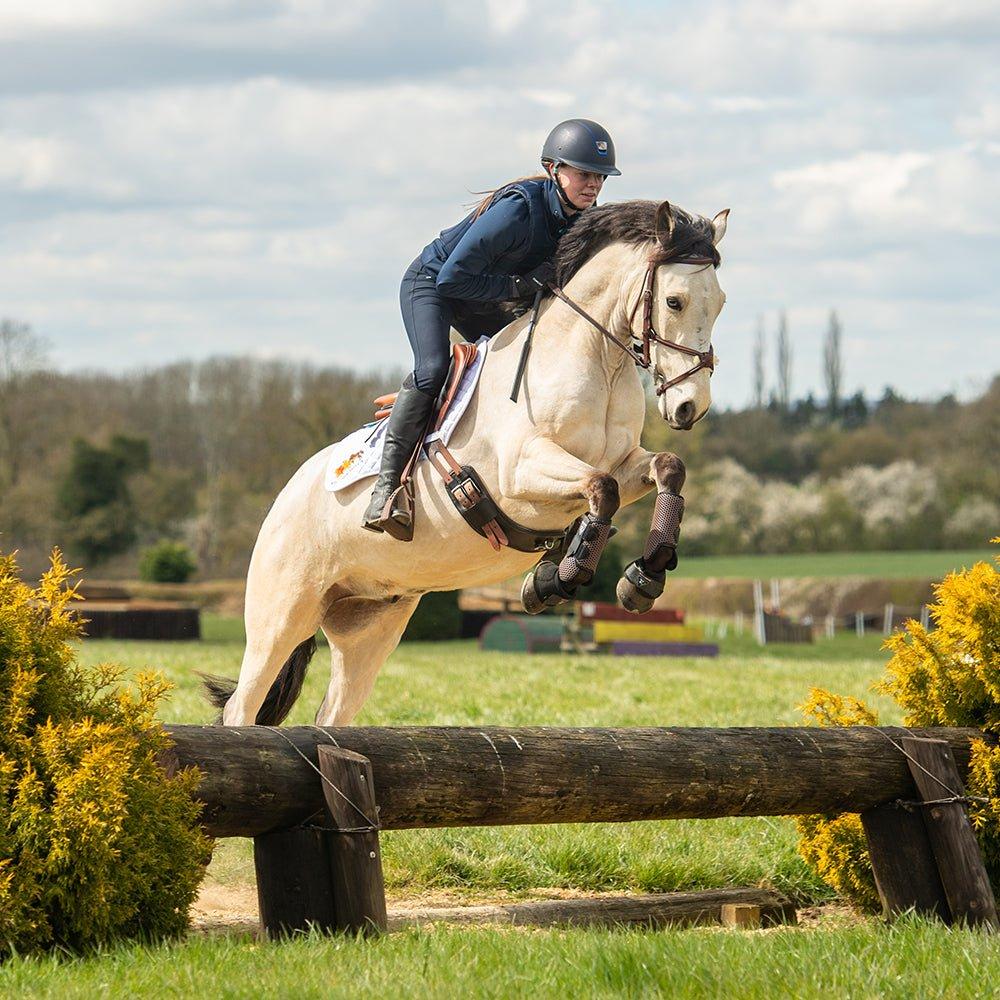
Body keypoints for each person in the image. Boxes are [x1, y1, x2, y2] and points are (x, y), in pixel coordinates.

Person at [363, 118, 622, 540]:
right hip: (433, 285)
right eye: (584, 174)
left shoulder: (582, 220)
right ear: (553, 169)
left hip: (482, 295)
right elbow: (452, 279)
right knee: (433, 369)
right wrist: (520, 286)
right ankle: (388, 489)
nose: (593, 185)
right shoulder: (518, 209)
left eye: (599, 177)